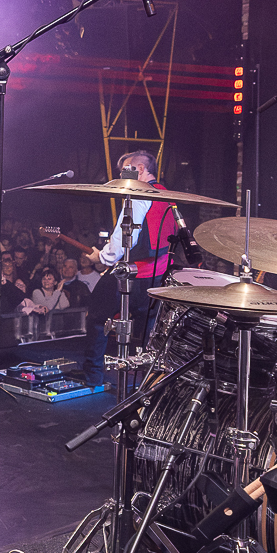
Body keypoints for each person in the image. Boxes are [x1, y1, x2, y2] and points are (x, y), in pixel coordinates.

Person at [77, 150, 178, 381]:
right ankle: (146, 381)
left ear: (139, 169)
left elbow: (125, 237)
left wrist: (103, 258)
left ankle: (93, 376)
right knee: (148, 331)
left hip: (134, 274)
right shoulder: (167, 195)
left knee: (97, 316)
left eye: (124, 170)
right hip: (158, 276)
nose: (120, 177)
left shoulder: (139, 195)